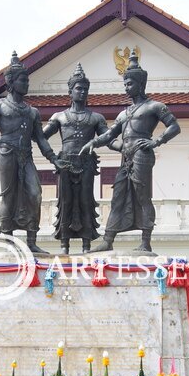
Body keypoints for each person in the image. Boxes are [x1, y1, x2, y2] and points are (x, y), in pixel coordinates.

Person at [83, 50, 180, 254]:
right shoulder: (124, 113)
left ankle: (146, 241)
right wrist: (94, 142)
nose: (126, 88)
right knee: (118, 196)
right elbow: (110, 134)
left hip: (142, 154)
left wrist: (156, 141)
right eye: (125, 84)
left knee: (142, 196)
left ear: (140, 83)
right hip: (125, 156)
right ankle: (108, 240)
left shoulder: (154, 106)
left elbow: (174, 126)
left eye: (129, 84)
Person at [0, 52, 57, 254]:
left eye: (27, 80)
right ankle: (8, 238)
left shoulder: (32, 112)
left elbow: (40, 138)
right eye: (22, 80)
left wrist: (53, 158)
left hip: (26, 155)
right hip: (7, 153)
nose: (26, 84)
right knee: (9, 196)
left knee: (35, 194)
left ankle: (31, 241)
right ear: (11, 82)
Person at [42, 63, 118, 254]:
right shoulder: (59, 117)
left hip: (86, 163)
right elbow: (41, 136)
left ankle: (86, 244)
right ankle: (64, 245)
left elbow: (107, 138)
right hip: (65, 163)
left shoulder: (96, 118)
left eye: (85, 89)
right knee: (65, 201)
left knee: (86, 201)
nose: (82, 92)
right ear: (70, 91)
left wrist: (123, 147)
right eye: (78, 88)